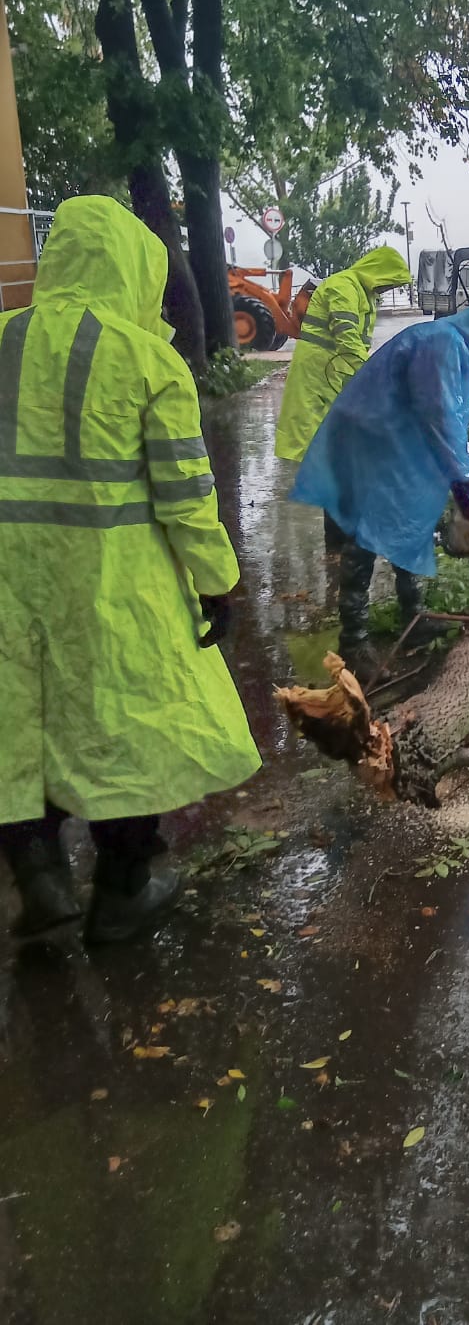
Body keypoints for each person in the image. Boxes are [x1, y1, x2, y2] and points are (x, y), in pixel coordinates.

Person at [0, 197, 261, 944]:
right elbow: (185, 497)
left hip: (8, 586)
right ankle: (121, 888)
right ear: (134, 267)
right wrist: (217, 580)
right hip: (112, 585)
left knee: (20, 721)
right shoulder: (148, 360)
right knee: (122, 724)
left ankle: (38, 872)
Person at [291, 296, 469, 670]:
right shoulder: (441, 343)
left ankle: (413, 616)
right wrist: (467, 482)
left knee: (411, 519)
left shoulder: (447, 342)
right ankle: (353, 642)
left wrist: (467, 482)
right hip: (366, 442)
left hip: (389, 439)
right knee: (363, 535)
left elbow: (445, 420)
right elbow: (440, 417)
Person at [274, 245, 412, 475]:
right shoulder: (344, 286)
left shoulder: (362, 292)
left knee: (334, 438)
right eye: (390, 283)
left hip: (334, 371)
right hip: (319, 371)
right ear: (378, 272)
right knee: (316, 434)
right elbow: (347, 339)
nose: (388, 289)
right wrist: (374, 376)